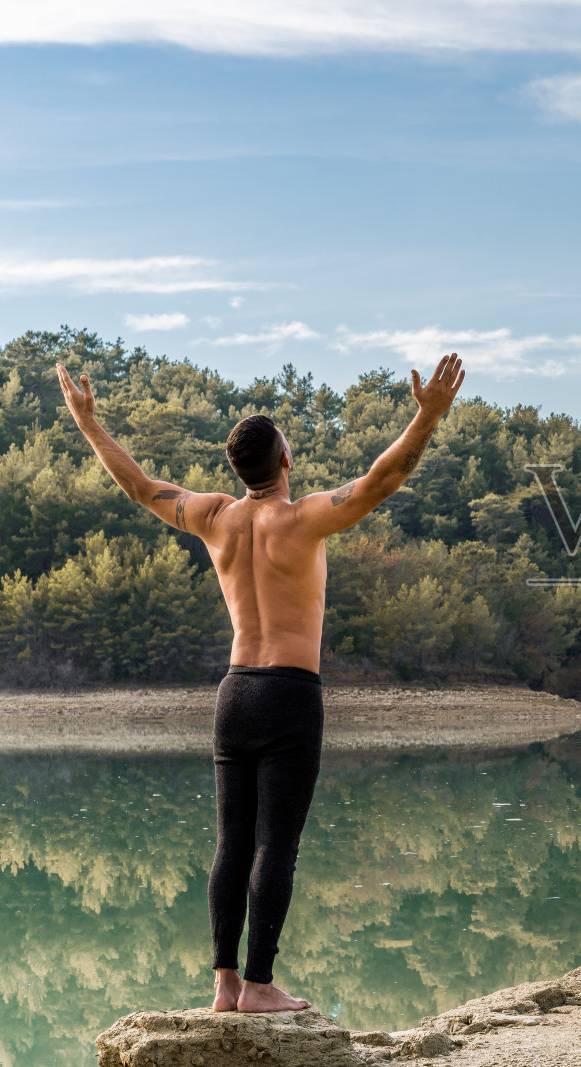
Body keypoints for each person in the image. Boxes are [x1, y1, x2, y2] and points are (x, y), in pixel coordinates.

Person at [56, 353, 465, 1012]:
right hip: (288, 694)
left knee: (232, 842)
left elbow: (138, 485)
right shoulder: (303, 518)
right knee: (277, 843)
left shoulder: (214, 516)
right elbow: (382, 480)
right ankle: (260, 984)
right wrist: (427, 416)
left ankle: (223, 982)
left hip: (234, 692)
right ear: (285, 462)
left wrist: (87, 422)